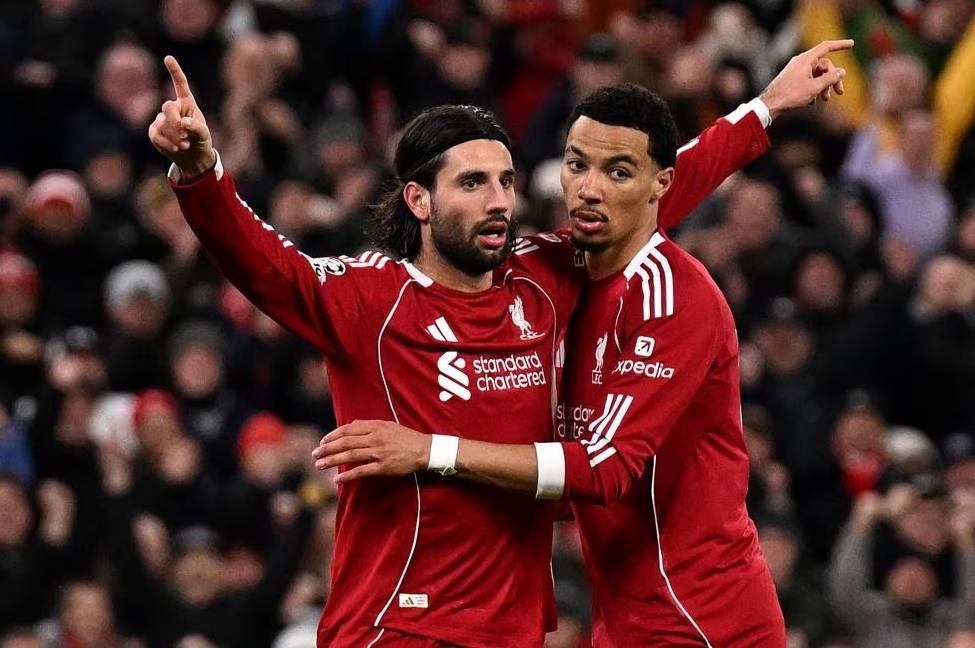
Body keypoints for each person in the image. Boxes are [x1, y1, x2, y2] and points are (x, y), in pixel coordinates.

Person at [153, 41, 847, 647]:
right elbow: (265, 265)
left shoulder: (541, 279)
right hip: (399, 624)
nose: (497, 201)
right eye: (472, 183)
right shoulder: (369, 299)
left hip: (512, 628)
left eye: (506, 182)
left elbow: (642, 200)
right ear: (419, 201)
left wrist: (764, 109)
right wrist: (201, 173)